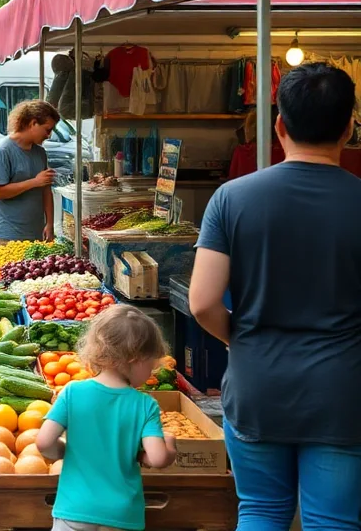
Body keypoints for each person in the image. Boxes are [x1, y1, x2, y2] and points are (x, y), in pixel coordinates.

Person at [190, 63, 361, 531]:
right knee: (333, 521)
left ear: (279, 125)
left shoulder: (231, 199)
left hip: (258, 384)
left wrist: (240, 339)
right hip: (342, 391)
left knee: (261, 511)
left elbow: (202, 303)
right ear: (349, 126)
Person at [36, 304, 177, 531]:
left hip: (74, 508)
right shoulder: (145, 405)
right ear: (136, 359)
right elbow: (158, 458)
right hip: (121, 514)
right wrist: (169, 446)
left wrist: (66, 450)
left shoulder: (72, 392)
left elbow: (44, 442)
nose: (151, 374)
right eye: (151, 366)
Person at [0, 100, 59, 246]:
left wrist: (50, 224)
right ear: (33, 123)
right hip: (7, 237)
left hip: (36, 234)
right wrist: (34, 182)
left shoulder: (40, 153)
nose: (49, 135)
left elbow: (46, 190)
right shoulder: (3, 151)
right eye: (47, 129)